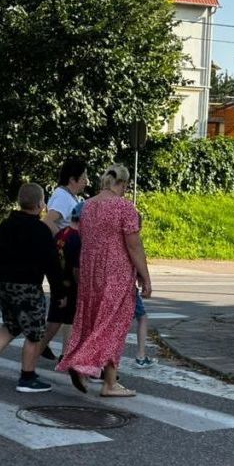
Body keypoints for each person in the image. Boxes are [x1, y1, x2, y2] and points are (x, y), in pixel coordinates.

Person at [56, 164, 152, 397]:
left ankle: (110, 381)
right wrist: (145, 276)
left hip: (91, 274)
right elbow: (133, 245)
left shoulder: (87, 206)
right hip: (116, 274)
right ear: (123, 184)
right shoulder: (124, 207)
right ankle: (82, 365)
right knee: (114, 326)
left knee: (96, 323)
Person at [0, 183, 65, 393]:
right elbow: (52, 265)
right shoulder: (41, 230)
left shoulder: (5, 225)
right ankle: (27, 377)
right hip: (26, 286)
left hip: (0, 284)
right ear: (41, 204)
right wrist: (60, 293)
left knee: (12, 323)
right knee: (35, 331)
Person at [40, 158, 88, 360]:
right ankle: (58, 352)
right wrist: (63, 240)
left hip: (66, 259)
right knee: (66, 309)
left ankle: (54, 349)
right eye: (84, 176)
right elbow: (48, 221)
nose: (87, 181)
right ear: (72, 179)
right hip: (64, 262)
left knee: (66, 309)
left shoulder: (69, 197)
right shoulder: (62, 196)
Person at [37, 202, 84, 364]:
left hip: (57, 282)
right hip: (71, 285)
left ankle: (37, 349)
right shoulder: (78, 239)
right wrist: (82, 285)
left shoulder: (61, 234)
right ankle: (66, 355)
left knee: (55, 320)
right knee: (71, 319)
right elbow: (77, 269)